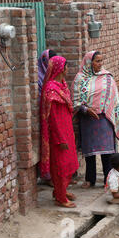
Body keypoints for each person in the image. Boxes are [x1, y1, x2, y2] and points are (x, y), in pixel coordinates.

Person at [72, 51, 119, 189]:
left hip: (105, 119)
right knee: (90, 152)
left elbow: (114, 100)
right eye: (97, 61)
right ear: (89, 62)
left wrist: (106, 112)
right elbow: (75, 100)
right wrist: (86, 110)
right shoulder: (80, 78)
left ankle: (108, 179)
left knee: (107, 152)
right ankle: (90, 179)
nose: (100, 64)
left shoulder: (107, 78)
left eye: (101, 61)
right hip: (88, 120)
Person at [40, 56, 79, 208]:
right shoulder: (51, 89)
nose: (68, 69)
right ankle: (61, 198)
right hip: (58, 134)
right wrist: (60, 138)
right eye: (66, 66)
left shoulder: (62, 85)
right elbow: (53, 118)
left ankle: (60, 191)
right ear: (61, 68)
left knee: (69, 162)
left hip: (67, 129)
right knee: (60, 165)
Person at [37, 49, 57, 185]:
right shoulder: (38, 77)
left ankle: (57, 175)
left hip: (54, 119)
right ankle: (48, 176)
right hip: (43, 119)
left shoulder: (55, 78)